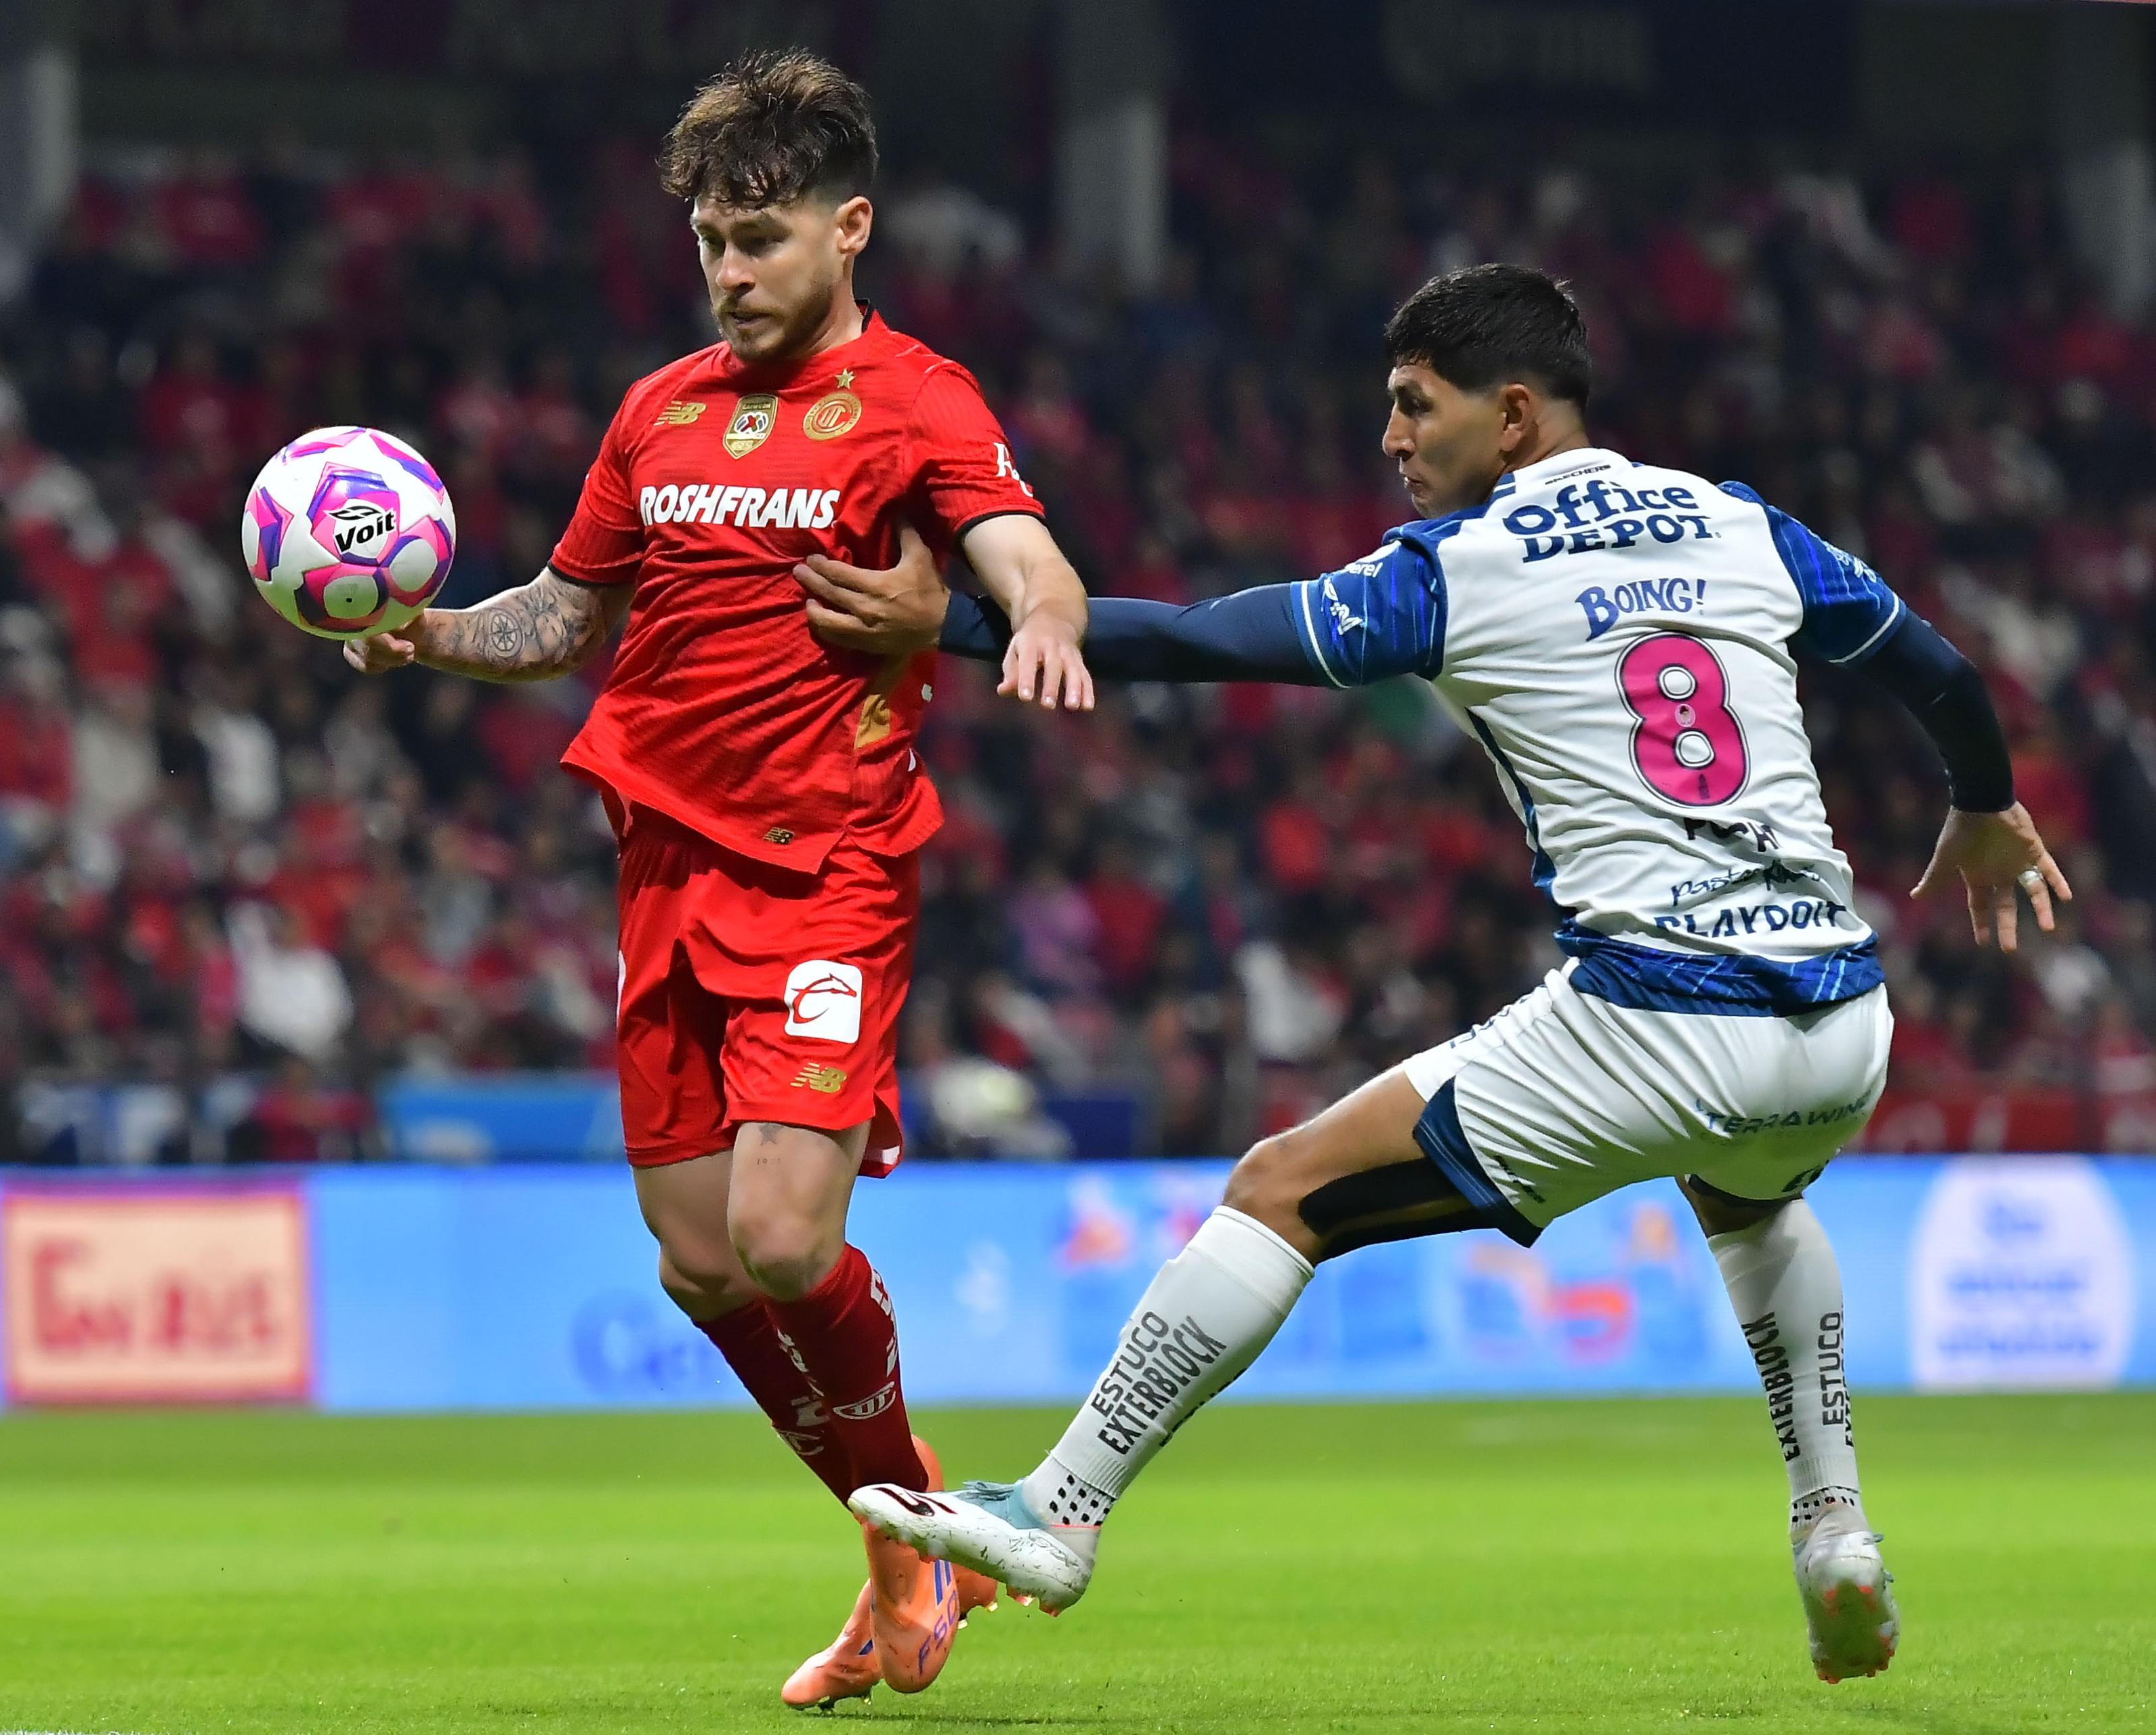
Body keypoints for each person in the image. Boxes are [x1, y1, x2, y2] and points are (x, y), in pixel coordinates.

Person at [803, 265, 2069, 1688]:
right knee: (1751, 1192)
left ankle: (1060, 1509)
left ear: (1513, 415)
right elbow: (1941, 671)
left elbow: (1197, 639)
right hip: (1842, 1020)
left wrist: (959, 621)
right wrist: (1982, 802)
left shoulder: (1456, 570)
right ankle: (1833, 1522)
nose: (1392, 438)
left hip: (1663, 1013)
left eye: (1417, 406)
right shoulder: (1741, 523)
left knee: (1281, 1188)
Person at [345, 49, 1094, 1706]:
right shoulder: (658, 410)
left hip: (828, 866)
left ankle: (918, 1531)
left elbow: (1023, 550)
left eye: (761, 239)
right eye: (710, 243)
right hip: (663, 868)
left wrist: (1039, 617)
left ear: (850, 227)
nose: (731, 272)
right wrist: (427, 630)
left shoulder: (918, 399)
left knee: (779, 1233)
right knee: (697, 1258)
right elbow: (566, 613)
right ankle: (908, 1534)